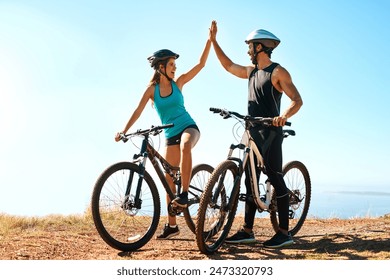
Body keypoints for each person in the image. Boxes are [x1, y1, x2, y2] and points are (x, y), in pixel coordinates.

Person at [209, 20, 303, 248]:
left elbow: (296, 100)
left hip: (271, 132)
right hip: (251, 131)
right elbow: (228, 66)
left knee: (274, 175)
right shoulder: (251, 72)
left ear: (259, 47)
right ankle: (247, 230)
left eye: (250, 46)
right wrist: (213, 42)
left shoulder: (277, 72)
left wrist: (284, 116)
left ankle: (284, 233)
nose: (248, 51)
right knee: (249, 180)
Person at [115, 27, 212, 239]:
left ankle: (185, 194)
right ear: (161, 67)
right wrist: (124, 130)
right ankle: (172, 226)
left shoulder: (180, 83)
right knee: (169, 180)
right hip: (169, 135)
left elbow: (201, 65)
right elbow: (138, 109)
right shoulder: (152, 90)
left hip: (188, 127)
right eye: (171, 65)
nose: (175, 69)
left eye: (175, 66)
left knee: (187, 146)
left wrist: (209, 40)